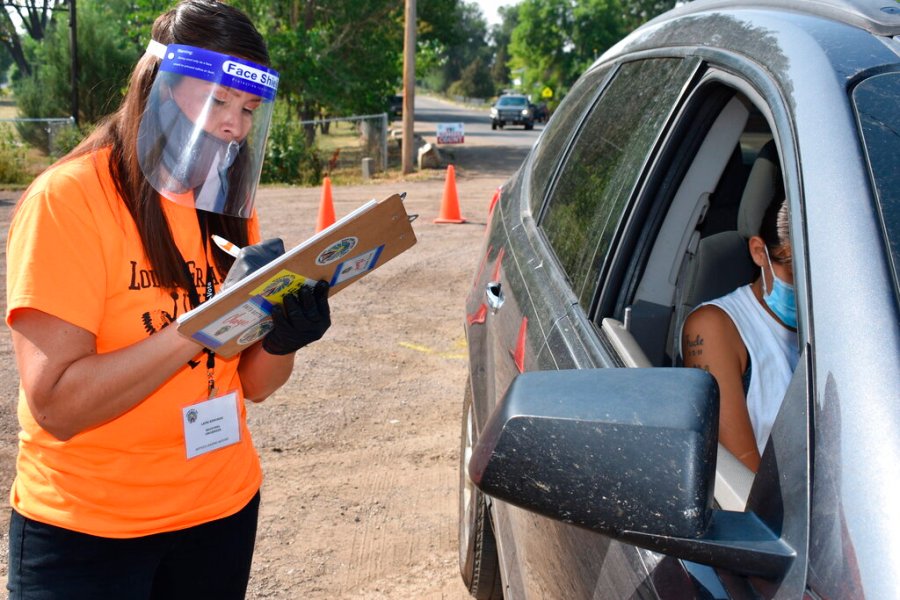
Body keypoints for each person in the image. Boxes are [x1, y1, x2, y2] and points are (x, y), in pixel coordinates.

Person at [4, 2, 330, 598]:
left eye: (249, 109)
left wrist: (283, 338)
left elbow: (253, 384)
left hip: (219, 512)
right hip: (91, 529)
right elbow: (57, 405)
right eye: (217, 102)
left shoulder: (226, 202)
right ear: (159, 88)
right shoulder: (69, 202)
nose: (233, 126)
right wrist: (199, 325)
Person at [681, 195, 799, 473]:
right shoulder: (716, 327)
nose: (809, 286)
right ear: (759, 252)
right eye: (795, 269)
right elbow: (742, 480)